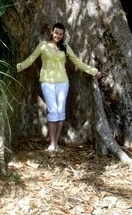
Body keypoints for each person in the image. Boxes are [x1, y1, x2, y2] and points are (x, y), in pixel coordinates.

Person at [16, 22, 101, 152]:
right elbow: (31, 58)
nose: (58, 36)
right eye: (56, 33)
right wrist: (19, 66)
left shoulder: (65, 47)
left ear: (63, 35)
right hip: (47, 82)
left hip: (63, 83)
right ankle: (51, 144)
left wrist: (93, 71)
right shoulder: (43, 45)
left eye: (61, 34)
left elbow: (77, 61)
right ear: (52, 32)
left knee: (60, 112)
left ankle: (56, 144)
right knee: (53, 111)